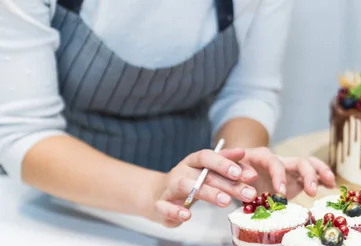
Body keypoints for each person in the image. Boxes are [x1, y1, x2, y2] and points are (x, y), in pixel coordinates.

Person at [0, 0, 335, 229]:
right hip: (55, 212)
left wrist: (240, 166)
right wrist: (154, 191)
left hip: (191, 220)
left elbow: (247, 93)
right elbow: (24, 132)